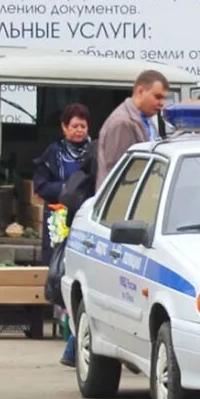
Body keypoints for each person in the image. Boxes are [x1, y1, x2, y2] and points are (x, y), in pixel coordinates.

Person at [33, 103, 95, 267]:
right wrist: (65, 190)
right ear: (64, 127)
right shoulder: (54, 153)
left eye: (83, 126)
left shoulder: (95, 152)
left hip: (85, 217)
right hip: (58, 217)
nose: (79, 130)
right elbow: (41, 186)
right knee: (57, 264)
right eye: (74, 126)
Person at [96, 69, 169, 187]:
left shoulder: (145, 119)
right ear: (140, 91)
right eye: (157, 97)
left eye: (163, 98)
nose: (162, 103)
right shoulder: (122, 122)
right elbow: (120, 172)